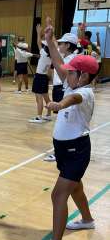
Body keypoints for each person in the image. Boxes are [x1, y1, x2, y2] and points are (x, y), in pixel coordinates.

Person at [35, 26, 99, 240]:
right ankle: (87, 220)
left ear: (82, 76)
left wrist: (59, 105)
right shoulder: (73, 82)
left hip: (76, 151)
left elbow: (73, 99)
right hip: (64, 150)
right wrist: (50, 40)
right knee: (75, 188)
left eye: (71, 72)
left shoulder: (84, 93)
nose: (64, 73)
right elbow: (58, 61)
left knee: (58, 194)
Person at [43, 33, 79, 162]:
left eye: (61, 44)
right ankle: (61, 150)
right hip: (59, 89)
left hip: (64, 90)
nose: (59, 46)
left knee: (64, 121)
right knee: (62, 120)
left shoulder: (72, 59)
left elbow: (60, 65)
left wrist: (50, 40)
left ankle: (60, 151)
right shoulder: (67, 57)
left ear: (68, 45)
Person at [29, 22, 52, 122]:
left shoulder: (43, 53)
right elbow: (41, 43)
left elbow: (38, 42)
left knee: (38, 98)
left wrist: (38, 33)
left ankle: (39, 117)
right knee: (46, 96)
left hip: (39, 77)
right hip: (45, 77)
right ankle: (49, 114)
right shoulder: (51, 56)